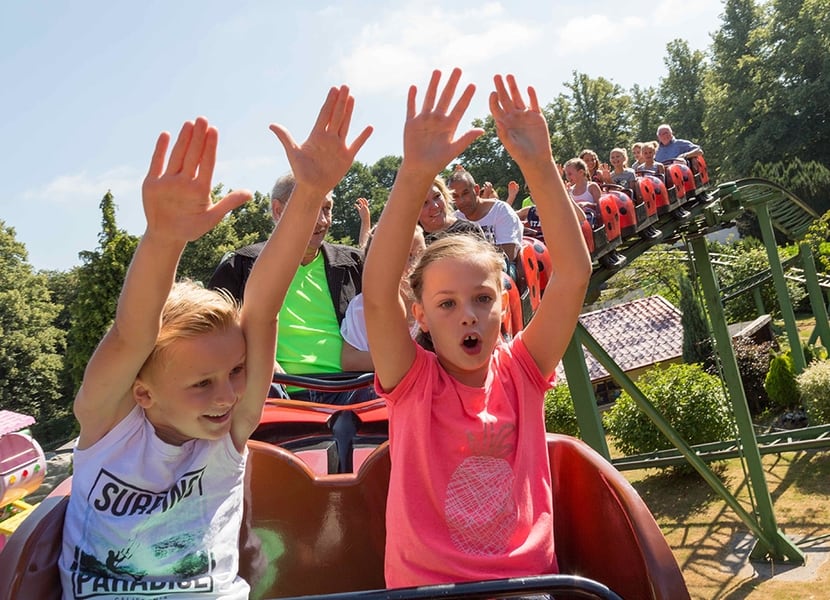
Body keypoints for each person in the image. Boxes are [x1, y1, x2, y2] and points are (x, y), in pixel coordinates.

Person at [59, 87, 372, 599]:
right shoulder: (107, 428)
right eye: (201, 383)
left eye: (234, 373)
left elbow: (263, 305)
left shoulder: (230, 432)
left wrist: (312, 193)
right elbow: (133, 332)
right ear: (143, 393)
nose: (227, 395)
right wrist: (164, 238)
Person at [363, 68, 592, 588]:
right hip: (432, 589)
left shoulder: (522, 373)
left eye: (482, 298)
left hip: (527, 586)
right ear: (419, 315)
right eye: (446, 303)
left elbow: (574, 273)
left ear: (502, 305)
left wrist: (539, 163)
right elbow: (378, 296)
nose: (467, 314)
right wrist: (416, 173)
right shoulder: (415, 383)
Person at [208, 175, 368, 394]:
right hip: (272, 394)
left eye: (327, 208)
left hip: (355, 389)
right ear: (278, 210)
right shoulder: (240, 266)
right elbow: (214, 336)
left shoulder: (356, 264)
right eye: (312, 208)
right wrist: (258, 362)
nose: (322, 221)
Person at [339, 225, 426, 371]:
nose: (416, 265)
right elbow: (350, 361)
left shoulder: (435, 302)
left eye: (422, 254)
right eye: (407, 256)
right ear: (379, 264)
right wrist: (410, 362)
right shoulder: (363, 306)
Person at [446, 167, 523, 261]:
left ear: (476, 190)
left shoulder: (501, 211)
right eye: (455, 196)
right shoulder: (454, 219)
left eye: (465, 193)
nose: (462, 201)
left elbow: (508, 255)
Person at [419, 175, 485, 245]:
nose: (435, 206)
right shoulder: (411, 239)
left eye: (437, 196)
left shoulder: (469, 231)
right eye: (425, 203)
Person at [564, 157, 602, 226]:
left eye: (570, 174)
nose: (567, 177)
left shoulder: (592, 187)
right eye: (566, 174)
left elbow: (600, 207)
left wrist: (587, 204)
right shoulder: (570, 190)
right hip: (575, 221)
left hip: (591, 221)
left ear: (581, 172)